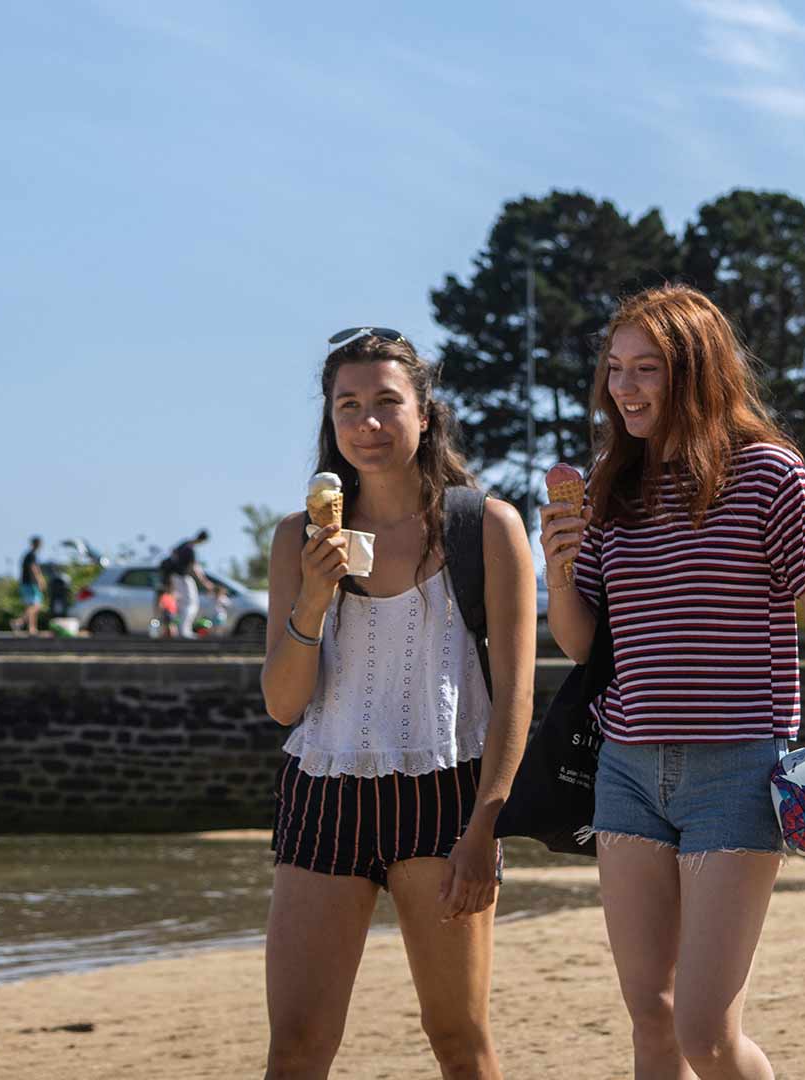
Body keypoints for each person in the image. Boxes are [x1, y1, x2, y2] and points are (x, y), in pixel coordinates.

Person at [540, 285, 805, 1080]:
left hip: (737, 773)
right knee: (651, 1020)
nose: (623, 387)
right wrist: (560, 571)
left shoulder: (769, 474)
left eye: (646, 368)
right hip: (624, 770)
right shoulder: (607, 487)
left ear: (694, 371)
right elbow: (585, 642)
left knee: (706, 1033)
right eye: (614, 369)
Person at [258, 326, 535, 1079]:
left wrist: (487, 825)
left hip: (446, 799)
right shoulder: (297, 539)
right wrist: (313, 599)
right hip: (321, 794)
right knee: (297, 1045)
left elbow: (515, 696)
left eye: (387, 402)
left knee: (458, 1039)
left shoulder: (488, 527)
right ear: (330, 420)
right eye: (348, 406)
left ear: (424, 412)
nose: (367, 423)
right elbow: (284, 706)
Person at [162, 530, 213, 639]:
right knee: (191, 603)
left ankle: (179, 629)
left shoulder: (185, 543)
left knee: (181, 603)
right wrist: (205, 583)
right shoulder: (190, 549)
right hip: (181, 577)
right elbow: (195, 568)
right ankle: (184, 630)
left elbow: (173, 551)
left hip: (175, 576)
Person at [15, 536, 46, 635]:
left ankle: (32, 628)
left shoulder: (27, 555)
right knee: (37, 605)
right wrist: (40, 580)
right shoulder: (32, 555)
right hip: (31, 583)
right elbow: (34, 568)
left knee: (30, 606)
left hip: (25, 583)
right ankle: (19, 621)